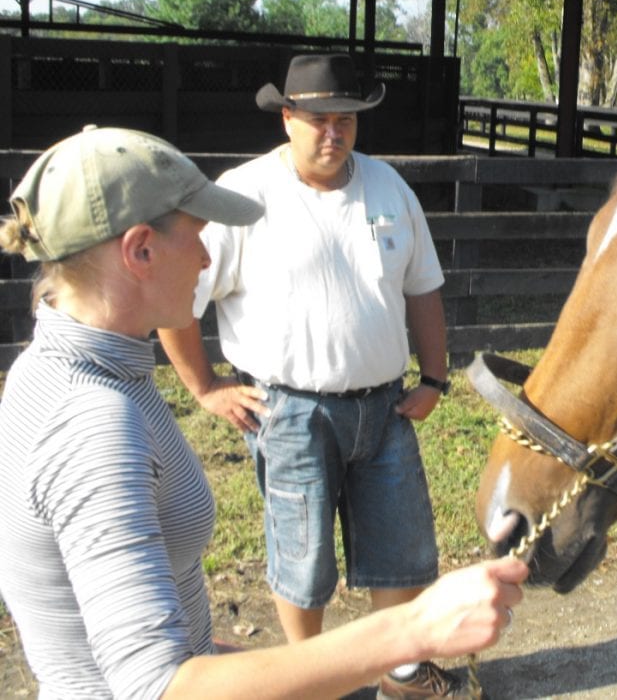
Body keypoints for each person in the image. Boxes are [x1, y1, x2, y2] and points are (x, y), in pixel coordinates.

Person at [0, 125, 526, 699]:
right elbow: (159, 688)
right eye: (198, 237)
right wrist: (414, 630)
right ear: (140, 250)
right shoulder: (93, 423)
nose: (206, 258)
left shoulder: (57, 369)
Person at [156, 53, 467, 698]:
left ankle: (402, 673)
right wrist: (205, 387)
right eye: (319, 119)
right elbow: (176, 297)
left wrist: (433, 378)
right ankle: (309, 680)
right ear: (288, 118)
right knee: (302, 557)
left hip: (384, 407)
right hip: (287, 411)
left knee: (402, 543)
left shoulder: (388, 189)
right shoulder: (242, 198)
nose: (335, 132)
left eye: (347, 119)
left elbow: (424, 290)